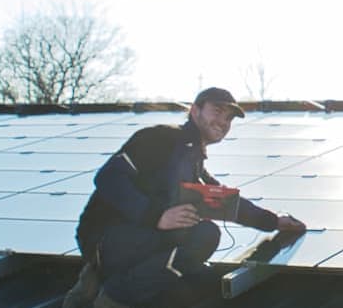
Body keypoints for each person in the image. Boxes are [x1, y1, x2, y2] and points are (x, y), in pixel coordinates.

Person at [64, 87, 305, 308]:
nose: (223, 122)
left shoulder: (193, 159)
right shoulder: (160, 138)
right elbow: (109, 177)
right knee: (204, 235)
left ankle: (92, 284)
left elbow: (222, 201)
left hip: (131, 241)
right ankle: (114, 299)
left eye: (229, 118)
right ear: (194, 110)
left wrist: (274, 221)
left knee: (194, 275)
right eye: (217, 111)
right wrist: (157, 216)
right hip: (105, 239)